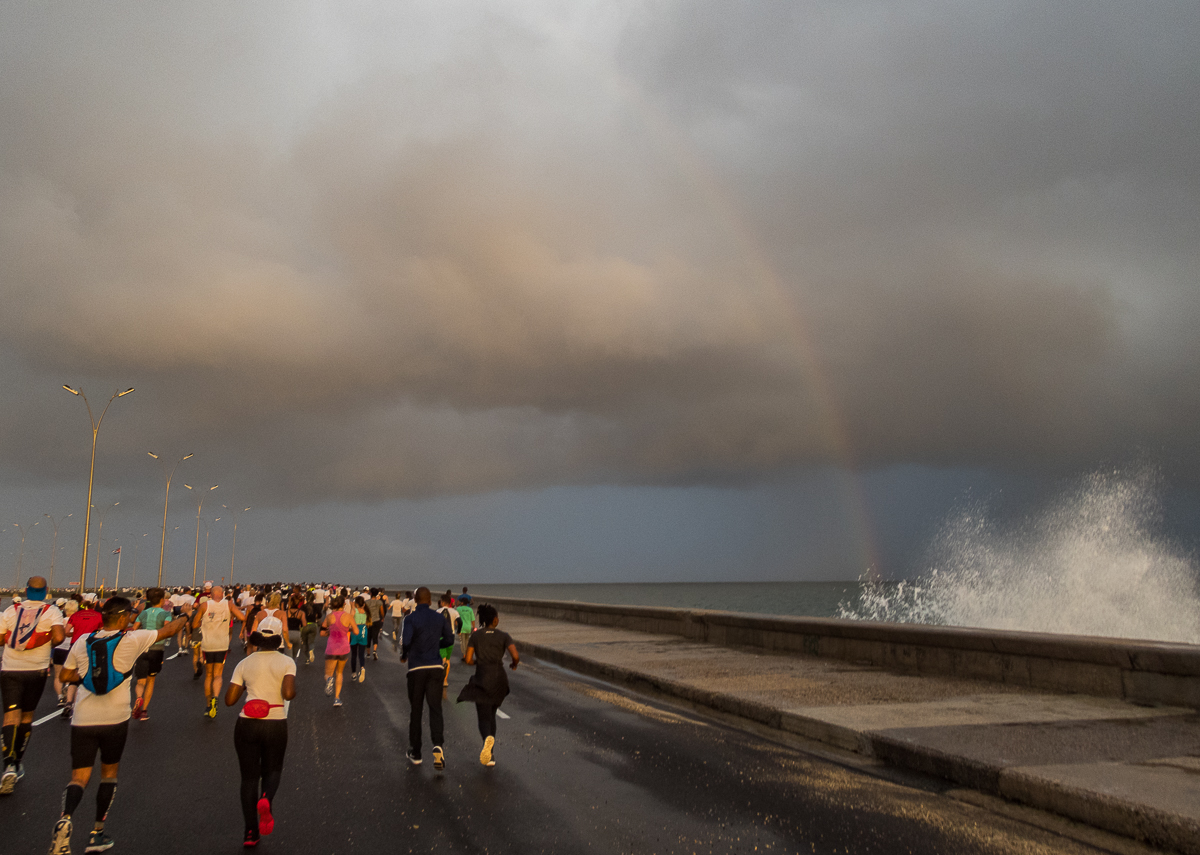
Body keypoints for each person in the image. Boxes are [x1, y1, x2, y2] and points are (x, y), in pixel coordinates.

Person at [48, 596, 186, 854]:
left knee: (79, 777)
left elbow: (66, 675)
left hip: (83, 718)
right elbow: (169, 629)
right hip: (115, 718)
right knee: (108, 774)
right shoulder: (132, 639)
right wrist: (186, 615)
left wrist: (88, 673)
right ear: (123, 618)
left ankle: (65, 818)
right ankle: (97, 833)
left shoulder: (82, 641)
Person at [225, 616, 296, 848]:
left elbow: (230, 700)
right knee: (273, 769)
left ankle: (250, 832)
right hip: (275, 721)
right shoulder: (286, 662)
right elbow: (287, 694)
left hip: (247, 722)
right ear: (278, 639)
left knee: (248, 778)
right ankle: (266, 798)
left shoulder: (244, 663)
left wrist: (247, 683)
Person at [1, 577, 66, 794]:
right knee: (27, 718)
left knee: (10, 717)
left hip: (10, 669)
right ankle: (18, 761)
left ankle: (8, 765)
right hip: (36, 670)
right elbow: (59, 637)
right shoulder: (52, 611)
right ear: (46, 591)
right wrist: (43, 640)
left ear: (26, 590)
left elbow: (0, 639)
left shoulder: (11, 611)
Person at [458, 604, 519, 767]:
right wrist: (514, 664)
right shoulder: (504, 635)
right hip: (500, 678)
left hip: (483, 677)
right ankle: (490, 753)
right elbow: (515, 655)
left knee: (483, 716)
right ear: (495, 620)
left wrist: (478, 662)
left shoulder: (476, 637)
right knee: (492, 713)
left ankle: (488, 744)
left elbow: (469, 659)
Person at [401, 587, 454, 769]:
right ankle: (438, 745)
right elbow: (450, 639)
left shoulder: (410, 619)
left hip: (416, 668)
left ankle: (416, 752)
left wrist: (404, 654)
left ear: (415, 600)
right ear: (431, 601)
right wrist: (437, 645)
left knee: (416, 711)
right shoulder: (439, 617)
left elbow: (406, 641)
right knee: (435, 708)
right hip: (435, 668)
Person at [191, 585, 247, 719]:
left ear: (210, 594)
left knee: (208, 675)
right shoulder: (228, 604)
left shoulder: (205, 605)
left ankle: (208, 704)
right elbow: (242, 618)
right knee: (218, 674)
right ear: (222, 594)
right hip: (222, 644)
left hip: (207, 645)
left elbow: (194, 624)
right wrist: (229, 616)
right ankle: (216, 697)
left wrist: (205, 623)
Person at [130, 588, 172, 721]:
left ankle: (138, 698)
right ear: (161, 600)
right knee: (151, 680)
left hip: (142, 648)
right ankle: (144, 711)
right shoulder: (165, 614)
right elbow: (167, 629)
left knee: (140, 680)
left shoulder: (144, 613)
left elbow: (134, 628)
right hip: (157, 649)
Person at [321, 596, 354, 707]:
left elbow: (321, 632)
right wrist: (347, 629)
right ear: (344, 604)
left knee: (327, 673)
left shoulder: (329, 617)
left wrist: (330, 632)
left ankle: (329, 680)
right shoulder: (348, 616)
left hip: (331, 648)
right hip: (344, 648)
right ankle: (337, 698)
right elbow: (356, 630)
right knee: (340, 673)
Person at [436, 593, 462, 688]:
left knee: (441, 657)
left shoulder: (438, 611)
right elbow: (460, 622)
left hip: (441, 637)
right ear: (450, 602)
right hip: (450, 636)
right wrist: (458, 631)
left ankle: (442, 668)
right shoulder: (454, 612)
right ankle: (445, 680)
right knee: (448, 659)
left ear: (442, 602)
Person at [349, 596, 369, 682]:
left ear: (356, 604)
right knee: (361, 653)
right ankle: (362, 668)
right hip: (364, 630)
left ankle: (354, 673)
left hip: (355, 630)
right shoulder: (365, 612)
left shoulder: (354, 611)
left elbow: (350, 621)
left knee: (354, 654)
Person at [299, 595, 320, 664]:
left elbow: (299, 615)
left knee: (305, 643)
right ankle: (311, 651)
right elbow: (320, 615)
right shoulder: (316, 606)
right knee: (311, 641)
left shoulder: (303, 607)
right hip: (313, 625)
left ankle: (307, 659)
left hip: (304, 626)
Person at [364, 589, 384, 661]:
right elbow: (381, 611)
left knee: (368, 637)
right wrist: (382, 618)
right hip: (376, 620)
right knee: (375, 636)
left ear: (371, 593)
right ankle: (374, 651)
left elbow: (364, 611)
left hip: (368, 621)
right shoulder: (379, 602)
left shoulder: (366, 602)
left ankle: (368, 654)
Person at [454, 597, 477, 661]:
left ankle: (464, 655)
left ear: (462, 602)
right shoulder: (470, 609)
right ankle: (467, 654)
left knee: (462, 642)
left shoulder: (458, 609)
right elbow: (473, 620)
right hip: (468, 628)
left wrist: (456, 625)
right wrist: (474, 628)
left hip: (461, 628)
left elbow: (456, 618)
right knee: (467, 642)